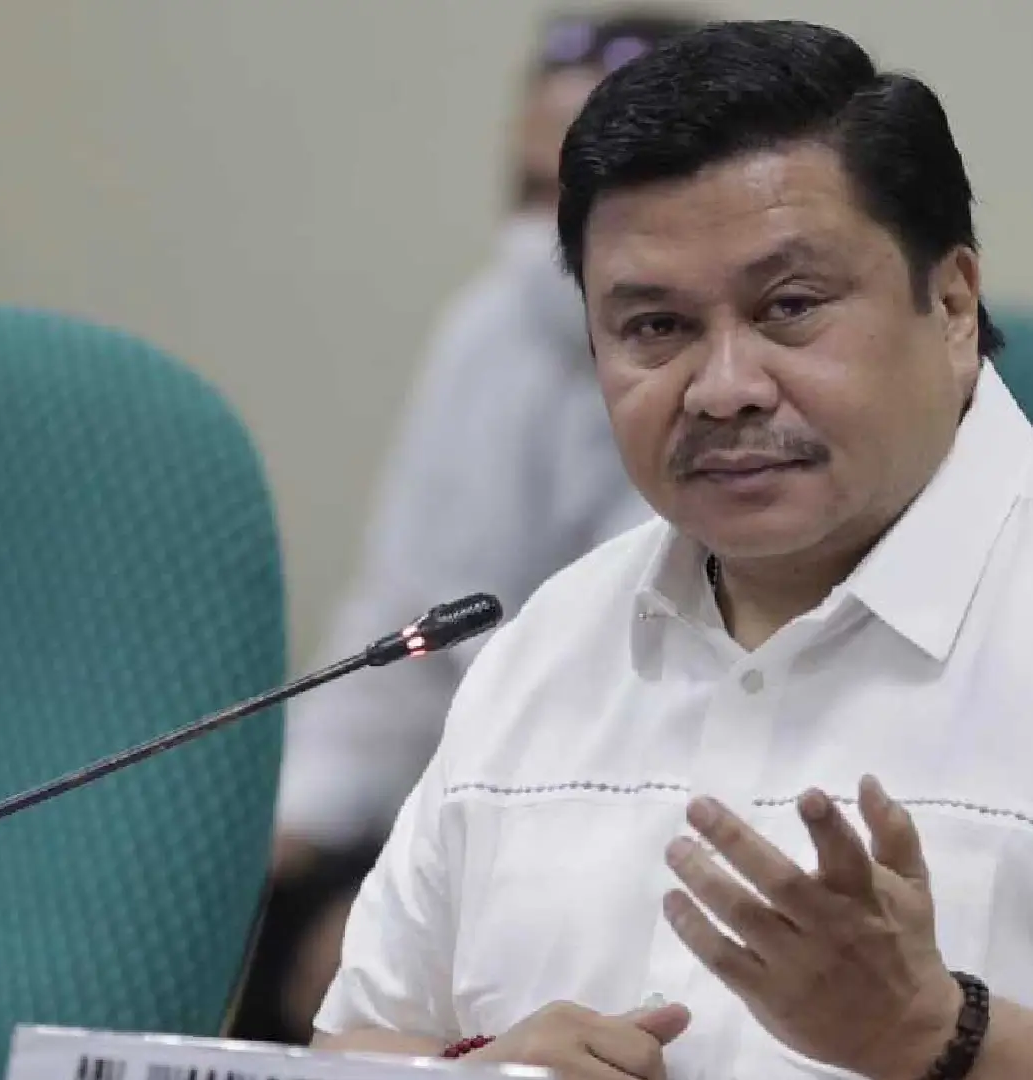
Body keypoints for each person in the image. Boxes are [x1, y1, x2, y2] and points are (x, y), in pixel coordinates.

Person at [311, 19, 1033, 1080]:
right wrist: (478, 1073)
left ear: (954, 305)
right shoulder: (543, 649)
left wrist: (939, 1039)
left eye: (790, 307)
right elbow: (351, 1047)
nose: (724, 387)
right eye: (655, 328)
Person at [234, 9, 703, 1046]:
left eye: (578, 200)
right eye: (530, 195)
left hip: (633, 830)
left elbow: (648, 689)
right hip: (454, 798)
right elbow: (408, 620)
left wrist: (418, 911)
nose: (542, 243)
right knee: (250, 933)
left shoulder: (723, 389)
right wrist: (285, 830)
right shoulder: (492, 327)